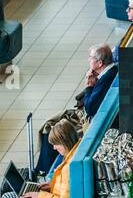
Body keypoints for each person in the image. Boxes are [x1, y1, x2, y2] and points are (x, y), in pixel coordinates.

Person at [35, 45, 117, 177]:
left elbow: (90, 108)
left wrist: (89, 86)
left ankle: (47, 172)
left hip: (91, 121)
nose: (88, 60)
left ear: (100, 63)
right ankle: (45, 170)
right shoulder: (110, 72)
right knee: (50, 124)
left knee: (50, 128)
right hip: (92, 116)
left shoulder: (106, 78)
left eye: (90, 58)